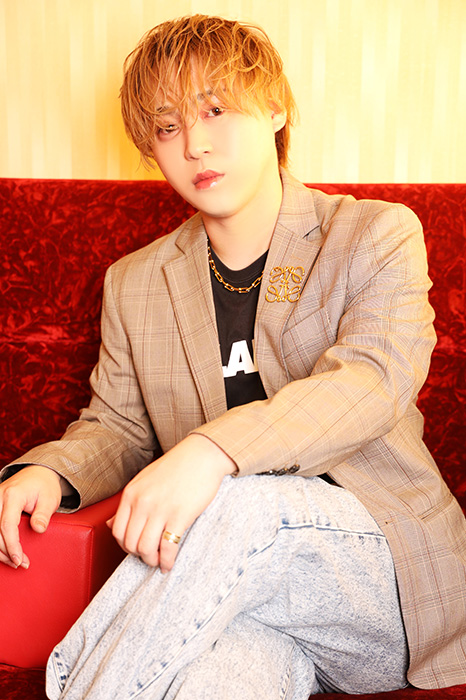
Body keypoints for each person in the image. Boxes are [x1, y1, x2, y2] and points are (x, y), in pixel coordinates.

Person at [1, 13, 465, 699]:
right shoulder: (136, 281)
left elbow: (370, 383)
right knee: (219, 676)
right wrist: (51, 471)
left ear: (275, 108)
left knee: (240, 501)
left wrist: (211, 453)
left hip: (379, 578)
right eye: (167, 127)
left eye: (215, 110)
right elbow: (119, 428)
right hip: (229, 591)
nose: (194, 144)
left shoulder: (376, 234)